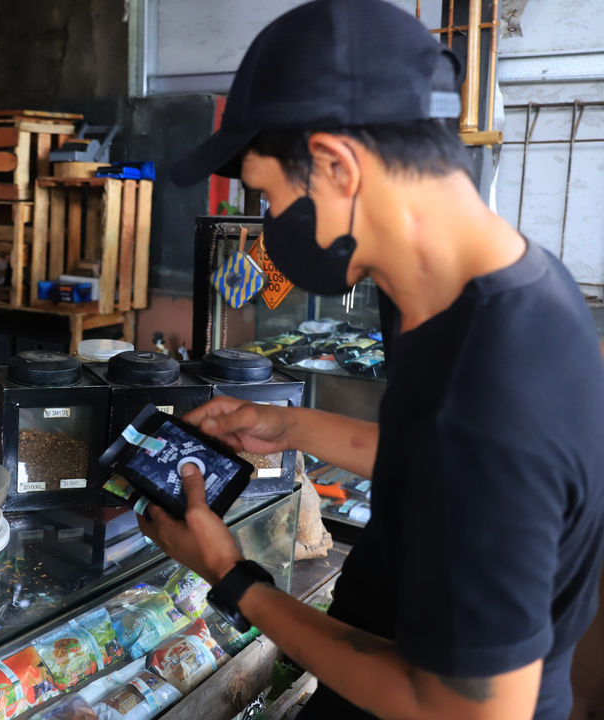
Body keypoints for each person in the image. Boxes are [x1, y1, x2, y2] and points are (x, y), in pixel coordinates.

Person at [144, 1, 604, 719]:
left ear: (336, 165)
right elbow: (437, 465)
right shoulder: (462, 292)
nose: (266, 223)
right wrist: (285, 426)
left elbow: (471, 712)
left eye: (266, 193)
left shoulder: (498, 384)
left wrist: (233, 577)